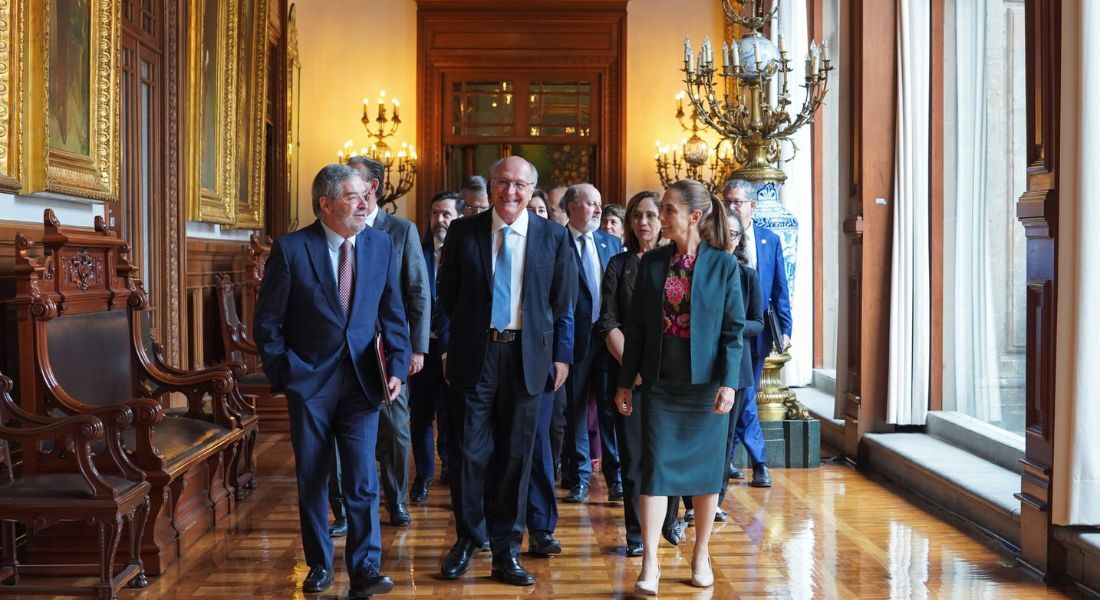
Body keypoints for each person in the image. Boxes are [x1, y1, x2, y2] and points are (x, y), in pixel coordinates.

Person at [253, 164, 409, 598]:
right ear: (326, 204)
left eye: (366, 196)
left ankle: (365, 568)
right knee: (314, 478)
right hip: (310, 384)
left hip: (364, 383)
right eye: (354, 196)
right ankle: (319, 564)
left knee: (362, 479)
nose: (365, 203)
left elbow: (393, 314)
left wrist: (396, 369)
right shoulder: (291, 249)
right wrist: (287, 373)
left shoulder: (380, 245)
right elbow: (267, 323)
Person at [437, 156, 577, 586]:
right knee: (468, 455)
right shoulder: (463, 232)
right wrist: (447, 349)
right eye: (502, 182)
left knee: (517, 459)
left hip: (526, 361)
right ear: (491, 186)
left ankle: (506, 551)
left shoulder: (554, 237)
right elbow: (447, 298)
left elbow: (563, 305)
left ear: (533, 190)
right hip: (474, 357)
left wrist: (562, 357)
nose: (510, 191)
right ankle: (468, 539)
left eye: (520, 185)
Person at [614, 178, 745, 594]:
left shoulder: (724, 265)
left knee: (706, 477)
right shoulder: (651, 263)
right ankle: (649, 562)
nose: (661, 217)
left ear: (693, 216)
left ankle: (701, 552)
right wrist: (624, 382)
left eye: (668, 210)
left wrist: (729, 384)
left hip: (706, 389)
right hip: (658, 385)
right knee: (654, 473)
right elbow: (634, 329)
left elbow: (733, 331)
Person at [329, 156, 429, 530]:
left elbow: (417, 292)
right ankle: (342, 511)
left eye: (353, 180)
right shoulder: (332, 228)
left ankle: (396, 500)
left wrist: (416, 349)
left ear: (371, 187)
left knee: (395, 428)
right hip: (339, 353)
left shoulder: (400, 231)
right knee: (338, 432)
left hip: (386, 350)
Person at [597, 191, 685, 557]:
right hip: (627, 376)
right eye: (637, 216)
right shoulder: (619, 265)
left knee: (669, 454)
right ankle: (636, 533)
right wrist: (631, 370)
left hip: (673, 377)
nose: (644, 222)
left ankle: (669, 521)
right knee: (633, 456)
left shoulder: (679, 263)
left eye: (651, 214)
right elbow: (608, 320)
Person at [724, 179, 791, 488]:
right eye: (728, 201)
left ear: (752, 205)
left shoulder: (769, 239)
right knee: (744, 394)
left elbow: (780, 288)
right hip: (727, 333)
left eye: (738, 201)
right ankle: (759, 461)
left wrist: (786, 329)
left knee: (743, 394)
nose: (732, 207)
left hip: (759, 333)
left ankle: (730, 459)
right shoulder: (718, 240)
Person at [560, 183, 623, 505]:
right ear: (571, 207)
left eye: (599, 204)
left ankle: (616, 479)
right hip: (572, 342)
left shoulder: (612, 243)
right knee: (575, 413)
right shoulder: (556, 241)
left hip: (607, 340)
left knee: (610, 410)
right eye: (590, 204)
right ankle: (580, 478)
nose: (598, 210)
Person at [408, 190, 464, 503]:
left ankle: (453, 472)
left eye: (446, 214)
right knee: (420, 417)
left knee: (454, 416)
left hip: (455, 349)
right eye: (434, 213)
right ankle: (423, 477)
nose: (439, 220)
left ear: (458, 217)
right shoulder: (418, 249)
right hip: (422, 349)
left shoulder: (466, 250)